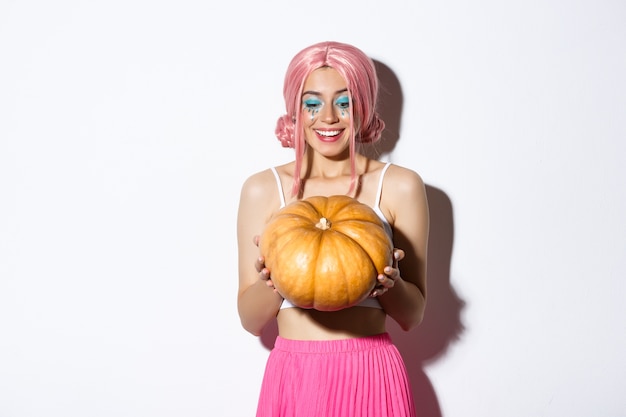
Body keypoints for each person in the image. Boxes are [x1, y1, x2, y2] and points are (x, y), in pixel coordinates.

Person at [237, 41, 429, 417]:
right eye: (312, 103)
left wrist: (389, 284)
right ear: (295, 110)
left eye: (345, 102)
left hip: (371, 372)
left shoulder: (400, 186)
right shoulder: (262, 189)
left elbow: (413, 315)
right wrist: (270, 280)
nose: (328, 117)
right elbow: (250, 320)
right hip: (294, 376)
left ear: (365, 107)